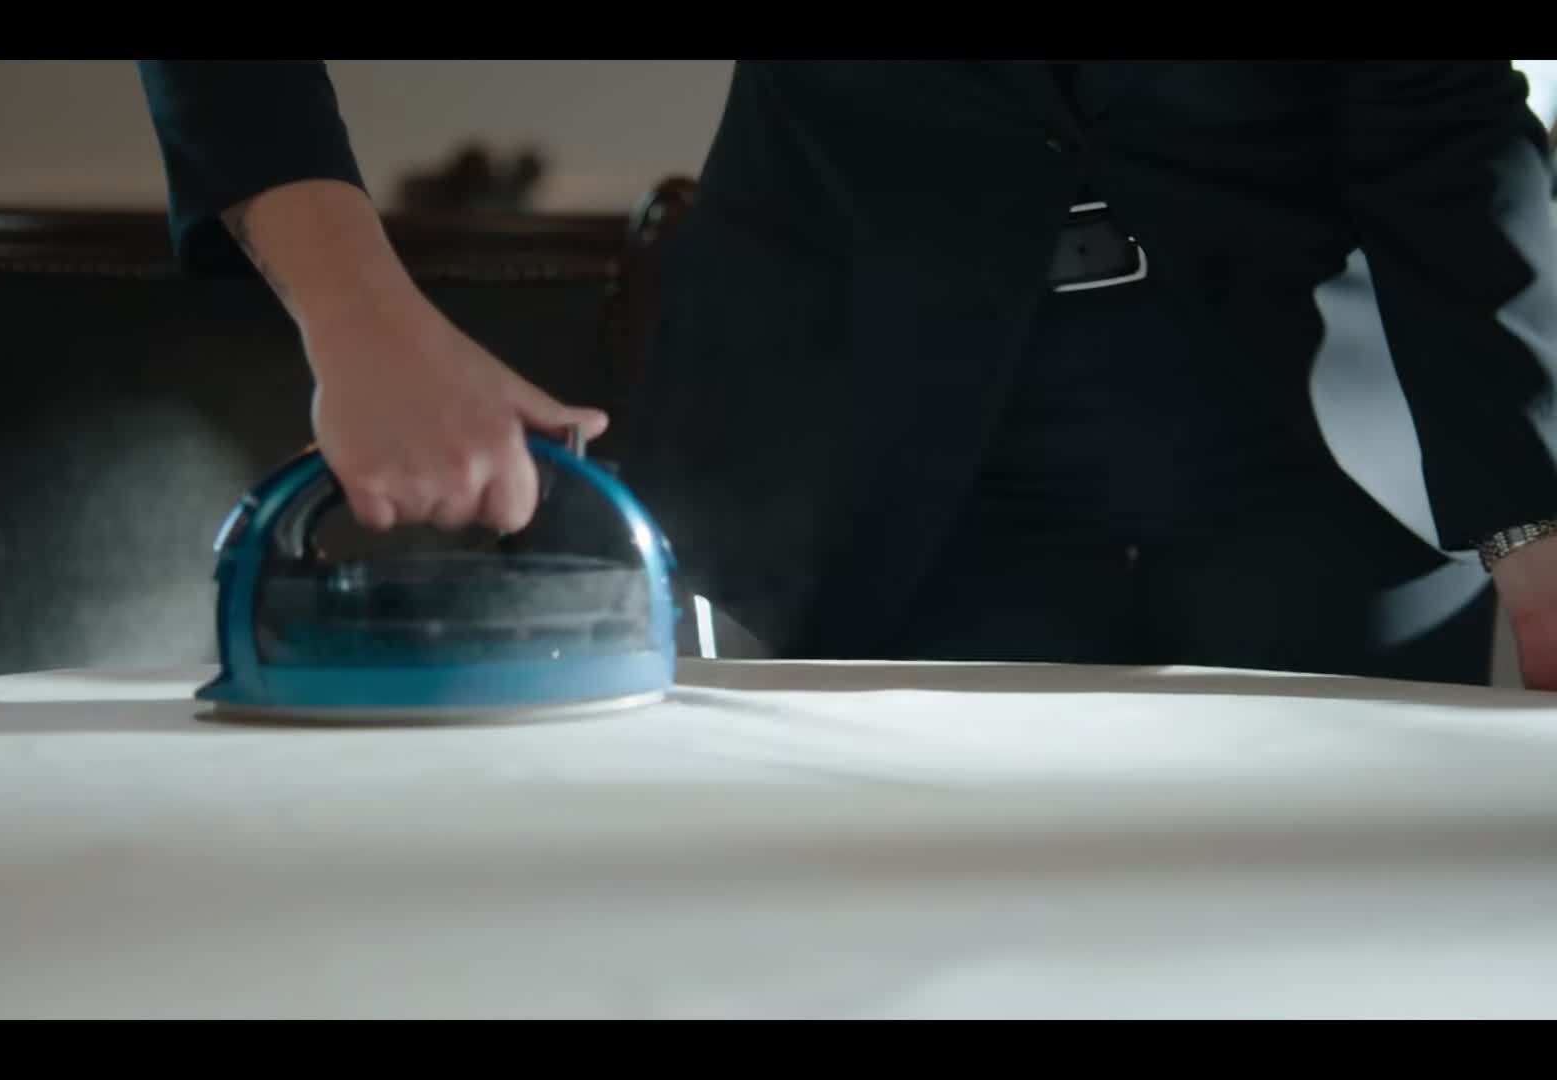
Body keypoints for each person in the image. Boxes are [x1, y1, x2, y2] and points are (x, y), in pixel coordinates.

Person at [137, 61, 1557, 688]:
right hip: (881, 462)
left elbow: (1440, 107)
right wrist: (358, 314)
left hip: (1332, 444)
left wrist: (1539, 502)